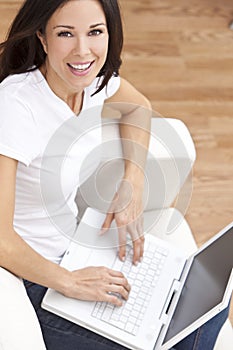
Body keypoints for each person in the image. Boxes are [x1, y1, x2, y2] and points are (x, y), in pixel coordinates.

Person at [0, 0, 229, 349]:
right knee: (184, 339)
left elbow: (139, 108)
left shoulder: (91, 81)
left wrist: (132, 184)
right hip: (34, 282)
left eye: (95, 32)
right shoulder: (15, 109)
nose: (82, 50)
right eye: (65, 34)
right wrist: (70, 282)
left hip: (74, 254)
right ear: (42, 39)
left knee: (203, 309)